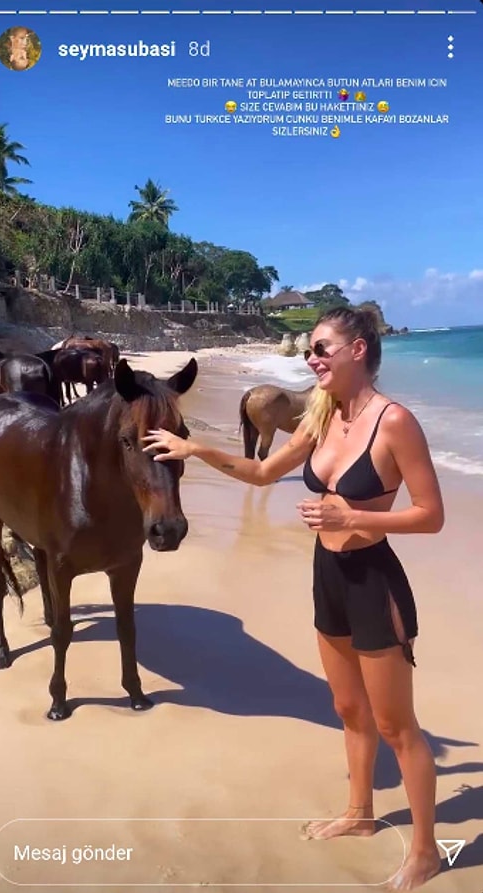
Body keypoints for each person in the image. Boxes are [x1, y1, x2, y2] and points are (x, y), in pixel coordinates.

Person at [141, 306, 444, 891]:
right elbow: (261, 474)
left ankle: (427, 851)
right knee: (348, 711)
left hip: (373, 582)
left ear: (358, 350)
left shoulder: (396, 422)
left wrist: (352, 512)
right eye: (309, 350)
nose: (311, 358)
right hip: (326, 574)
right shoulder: (321, 414)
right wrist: (195, 448)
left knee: (395, 725)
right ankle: (359, 815)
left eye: (322, 348)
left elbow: (431, 514)